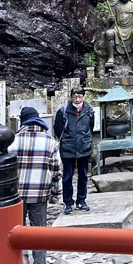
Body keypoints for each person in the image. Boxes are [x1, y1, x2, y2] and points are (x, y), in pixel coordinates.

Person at [9, 107, 62, 264]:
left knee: (19, 229)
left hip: (17, 194)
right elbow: (56, 170)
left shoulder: (12, 141)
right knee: (39, 230)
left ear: (22, 121)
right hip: (40, 193)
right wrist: (56, 193)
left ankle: (23, 262)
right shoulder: (50, 141)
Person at [54, 86, 95, 214]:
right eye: (75, 96)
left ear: (84, 96)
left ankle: (81, 200)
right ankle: (68, 202)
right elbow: (58, 129)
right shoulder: (63, 111)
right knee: (67, 176)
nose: (77, 99)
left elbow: (90, 127)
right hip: (68, 148)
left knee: (83, 176)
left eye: (80, 96)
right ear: (71, 97)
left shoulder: (89, 111)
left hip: (84, 147)